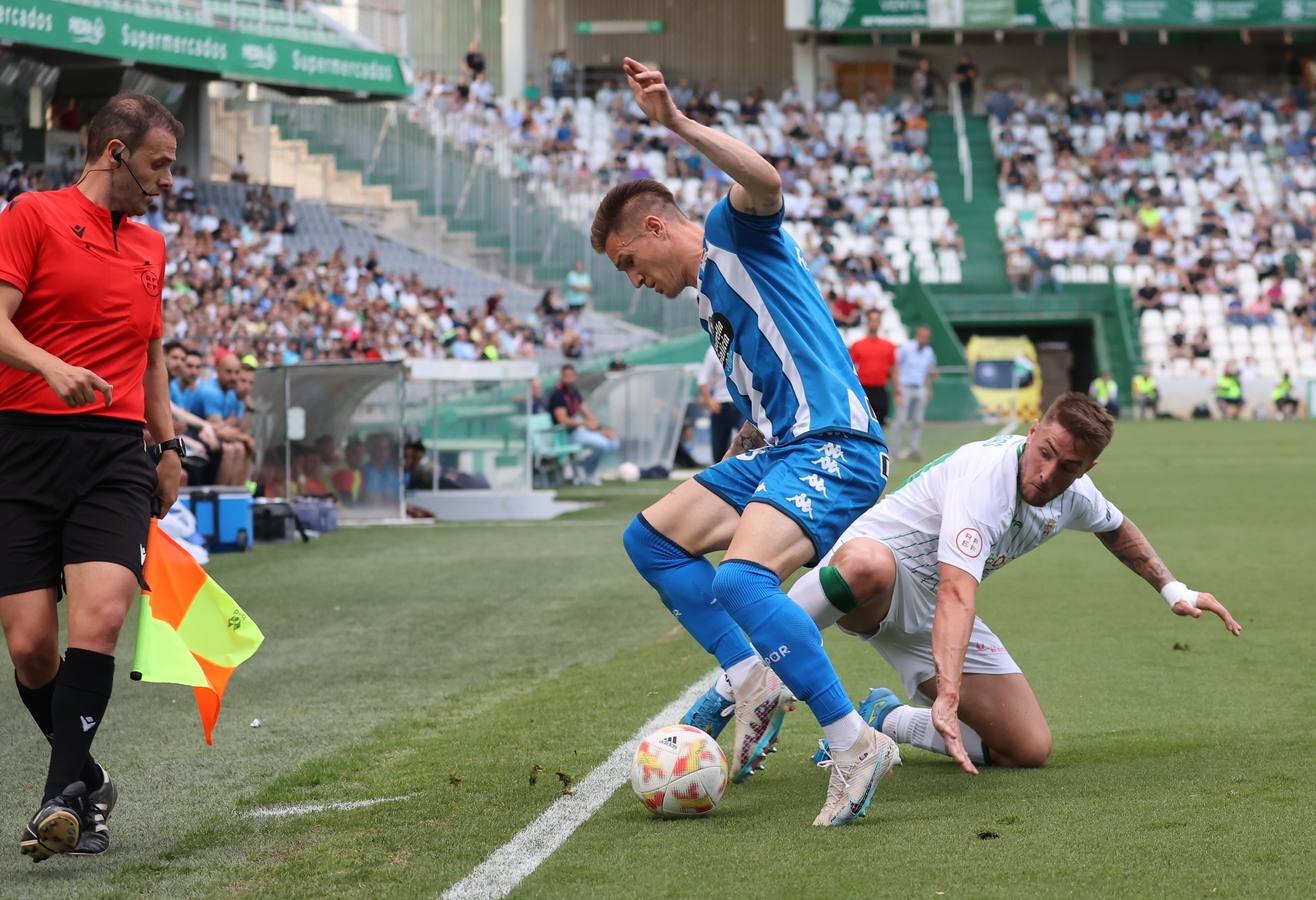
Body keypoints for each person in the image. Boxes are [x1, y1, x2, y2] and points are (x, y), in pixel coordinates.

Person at [591, 57, 897, 827]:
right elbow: (763, 406)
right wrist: (732, 475)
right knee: (652, 539)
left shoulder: (734, 238)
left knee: (740, 583)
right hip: (782, 449)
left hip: (837, 445)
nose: (634, 280)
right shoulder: (709, 303)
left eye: (629, 262)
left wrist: (675, 122)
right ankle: (750, 674)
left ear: (655, 228)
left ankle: (855, 743)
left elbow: (765, 180)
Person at [697, 394, 1240, 775]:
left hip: (937, 610)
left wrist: (1174, 590)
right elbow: (957, 592)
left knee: (1027, 749)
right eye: (1046, 452)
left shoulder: (1073, 494)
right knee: (866, 564)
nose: (1048, 474)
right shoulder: (986, 480)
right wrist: (949, 692)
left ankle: (885, 718)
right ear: (1033, 431)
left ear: (1087, 468)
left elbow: (1116, 527)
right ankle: (741, 682)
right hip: (877, 583)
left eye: (1069, 467)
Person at [0, 92, 183, 861]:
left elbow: (151, 355)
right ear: (115, 153)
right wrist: (49, 367)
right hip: (21, 448)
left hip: (113, 453)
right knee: (30, 646)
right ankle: (90, 784)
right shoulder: (31, 217)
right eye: (159, 164)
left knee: (101, 619)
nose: (168, 181)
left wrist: (169, 448)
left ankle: (57, 802)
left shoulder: (152, 247)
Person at [546, 364, 619, 486]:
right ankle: (587, 470)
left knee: (613, 442)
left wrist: (601, 429)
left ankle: (585, 467)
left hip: (580, 430)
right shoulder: (558, 395)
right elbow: (563, 420)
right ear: (562, 377)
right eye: (566, 376)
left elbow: (588, 415)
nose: (569, 379)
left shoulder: (574, 393)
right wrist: (584, 423)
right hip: (567, 434)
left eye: (571, 376)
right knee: (604, 445)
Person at [891, 325, 937, 460]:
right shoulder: (905, 348)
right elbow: (895, 367)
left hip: (920, 388)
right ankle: (894, 450)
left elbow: (928, 371)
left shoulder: (929, 352)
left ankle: (914, 449)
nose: (924, 339)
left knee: (918, 421)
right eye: (922, 336)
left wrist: (929, 388)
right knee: (900, 420)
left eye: (926, 337)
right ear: (917, 335)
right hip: (904, 387)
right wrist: (897, 390)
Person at [849, 309, 898, 426]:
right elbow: (850, 369)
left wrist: (897, 391)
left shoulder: (888, 346)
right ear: (867, 322)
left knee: (880, 425)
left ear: (880, 323)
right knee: (863, 424)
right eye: (871, 320)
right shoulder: (857, 345)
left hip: (880, 390)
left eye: (876, 320)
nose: (874, 323)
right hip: (864, 391)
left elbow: (893, 370)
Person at [697, 345, 744, 463]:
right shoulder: (713, 350)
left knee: (746, 444)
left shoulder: (744, 344)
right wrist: (709, 400)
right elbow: (703, 379)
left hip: (742, 405)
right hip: (721, 405)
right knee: (718, 450)